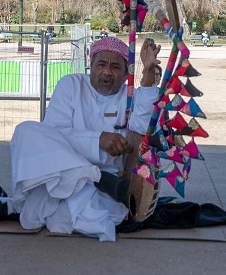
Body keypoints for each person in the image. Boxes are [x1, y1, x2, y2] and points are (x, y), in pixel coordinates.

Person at [10, 35, 160, 242]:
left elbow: (143, 131)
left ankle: (95, 181)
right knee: (25, 131)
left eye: (115, 67)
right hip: (61, 173)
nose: (107, 72)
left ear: (126, 75)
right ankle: (87, 175)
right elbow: (53, 134)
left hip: (103, 183)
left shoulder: (130, 96)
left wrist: (148, 74)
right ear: (91, 65)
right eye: (101, 64)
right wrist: (97, 140)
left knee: (65, 217)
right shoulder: (71, 85)